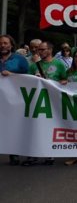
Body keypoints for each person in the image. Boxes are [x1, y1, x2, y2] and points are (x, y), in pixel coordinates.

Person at [0, 34, 30, 166]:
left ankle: (14, 153)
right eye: (1, 43)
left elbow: (28, 78)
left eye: (6, 43)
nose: (3, 46)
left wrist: (12, 75)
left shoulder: (20, 59)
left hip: (14, 99)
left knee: (12, 125)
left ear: (11, 45)